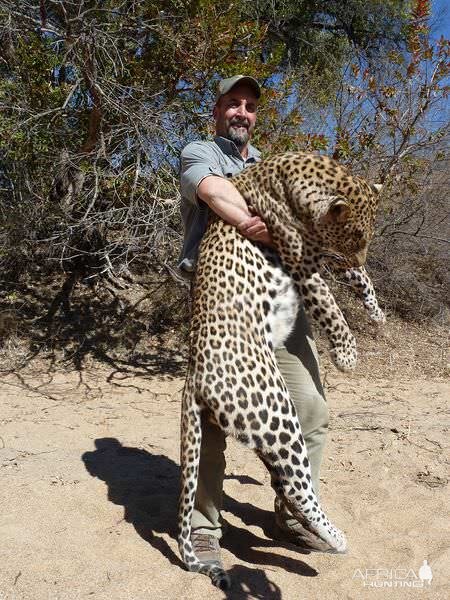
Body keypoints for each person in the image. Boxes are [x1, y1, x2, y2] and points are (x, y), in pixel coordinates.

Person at [178, 75, 330, 567]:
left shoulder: (272, 165)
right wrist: (258, 222)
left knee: (309, 407)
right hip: (224, 303)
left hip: (280, 299)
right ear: (217, 110)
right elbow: (215, 192)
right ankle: (203, 527)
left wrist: (292, 229)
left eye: (249, 106)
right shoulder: (197, 151)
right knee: (211, 415)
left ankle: (291, 513)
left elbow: (313, 224)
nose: (242, 112)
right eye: (232, 104)